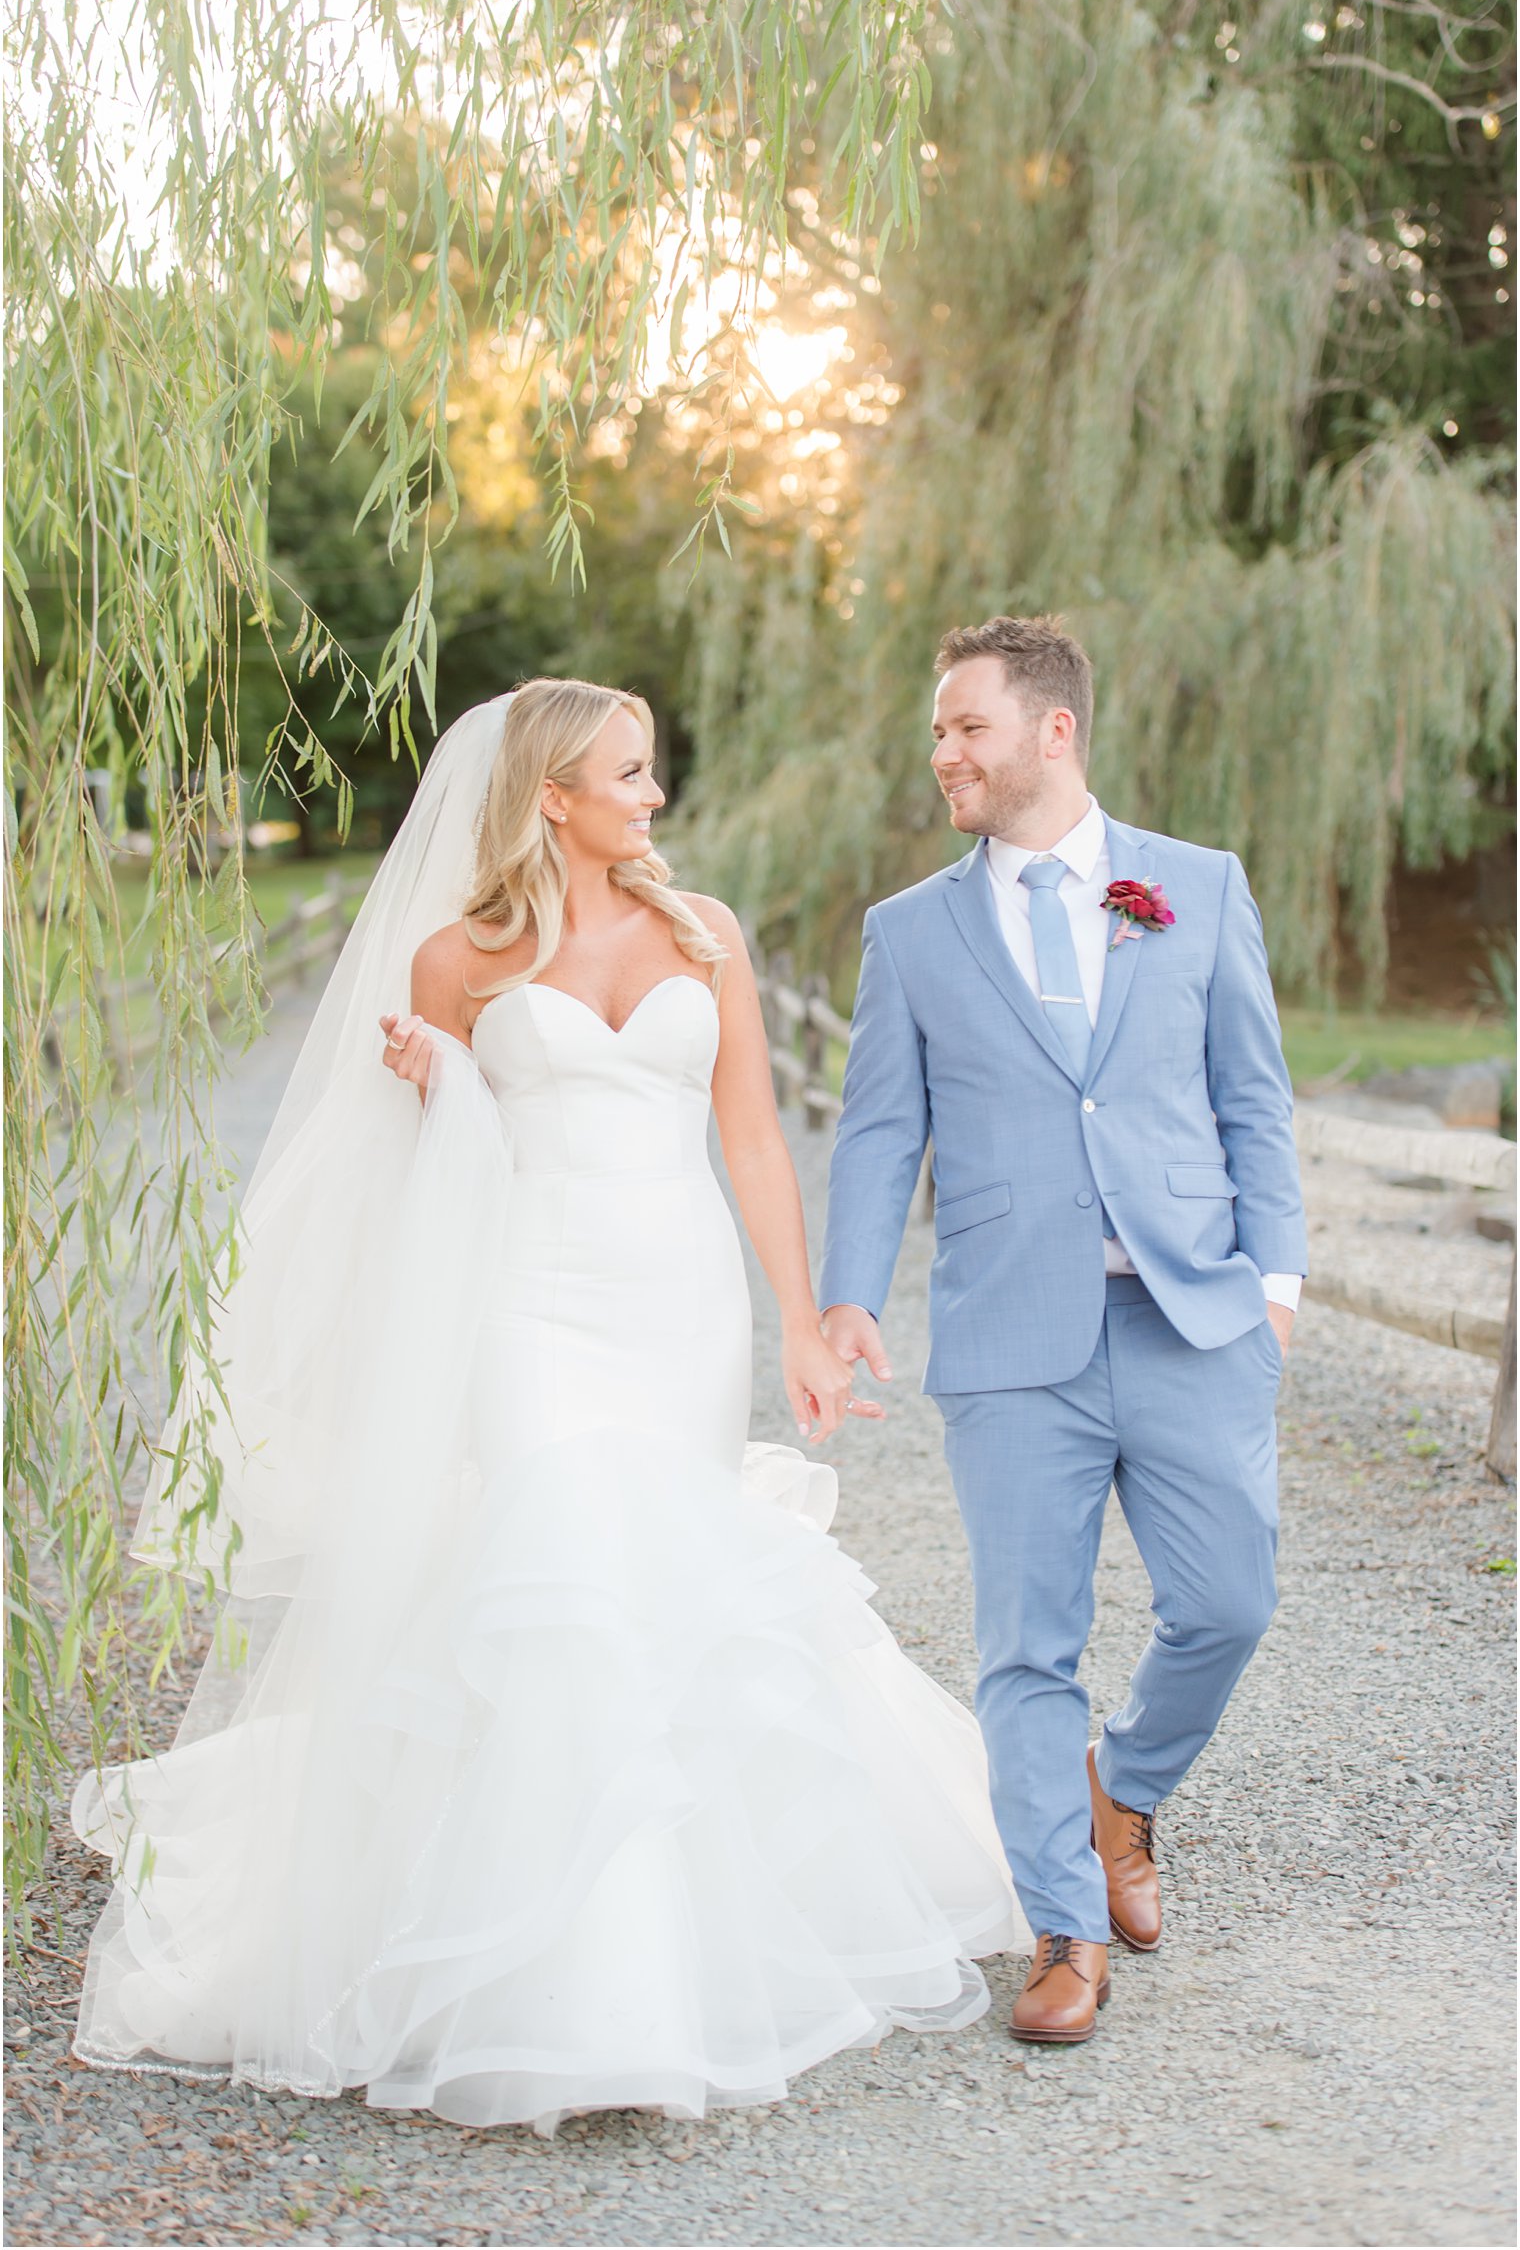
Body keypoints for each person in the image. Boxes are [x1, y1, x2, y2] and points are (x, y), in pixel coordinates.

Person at [69, 677, 1024, 2134]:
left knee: (661, 1592)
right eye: (628, 775)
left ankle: (694, 1928)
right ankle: (578, 1991)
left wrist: (803, 1325)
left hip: (681, 1305)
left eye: (650, 772)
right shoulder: (459, 957)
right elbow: (401, 1172)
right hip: (532, 1309)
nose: (653, 796)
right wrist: (437, 1073)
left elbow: (757, 1138)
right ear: (552, 800)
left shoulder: (708, 935)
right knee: (562, 1572)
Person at [820, 616, 1306, 2045]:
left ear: (1054, 732)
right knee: (1025, 1648)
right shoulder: (910, 931)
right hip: (1013, 1330)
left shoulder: (1196, 890)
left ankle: (1125, 1797)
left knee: (1230, 1601)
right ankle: (1064, 1930)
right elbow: (876, 1128)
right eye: (937, 732)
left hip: (1191, 1309)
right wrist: (850, 1289)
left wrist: (1276, 1285)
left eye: (967, 727)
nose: (944, 754)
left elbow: (1254, 1098)